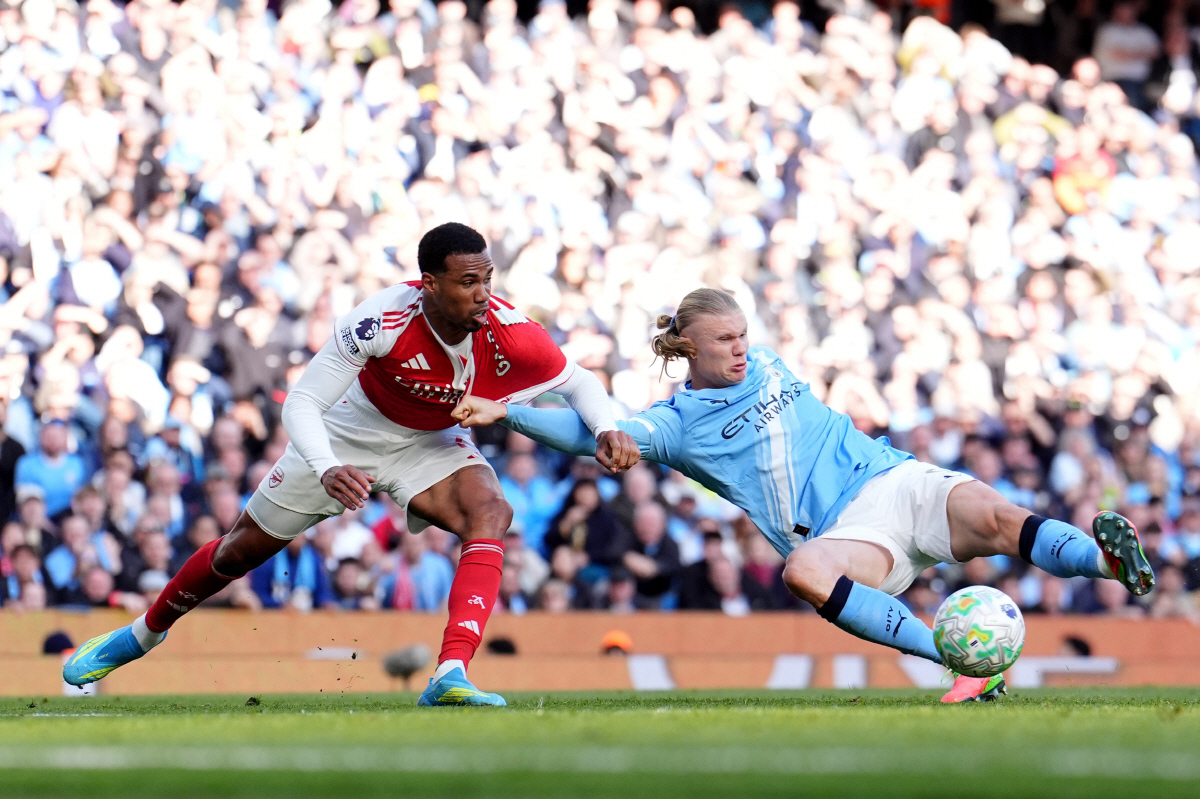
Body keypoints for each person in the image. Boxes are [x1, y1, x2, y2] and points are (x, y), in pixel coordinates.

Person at [452, 288, 1155, 703]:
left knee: (1002, 515)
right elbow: (589, 435)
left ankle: (1108, 563)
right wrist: (508, 411)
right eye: (723, 339)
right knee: (804, 572)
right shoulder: (673, 424)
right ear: (689, 349)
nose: (739, 347)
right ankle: (960, 663)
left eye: (742, 335)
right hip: (847, 531)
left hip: (896, 477)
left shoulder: (765, 361)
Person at [64, 223, 639, 707]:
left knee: (491, 510)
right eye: (468, 282)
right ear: (429, 284)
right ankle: (142, 635)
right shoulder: (381, 320)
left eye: (487, 279)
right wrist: (325, 466)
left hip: (431, 443)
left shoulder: (511, 332)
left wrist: (606, 427)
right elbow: (304, 402)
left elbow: (576, 382)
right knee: (239, 551)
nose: (483, 293)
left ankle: (450, 674)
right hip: (347, 433)